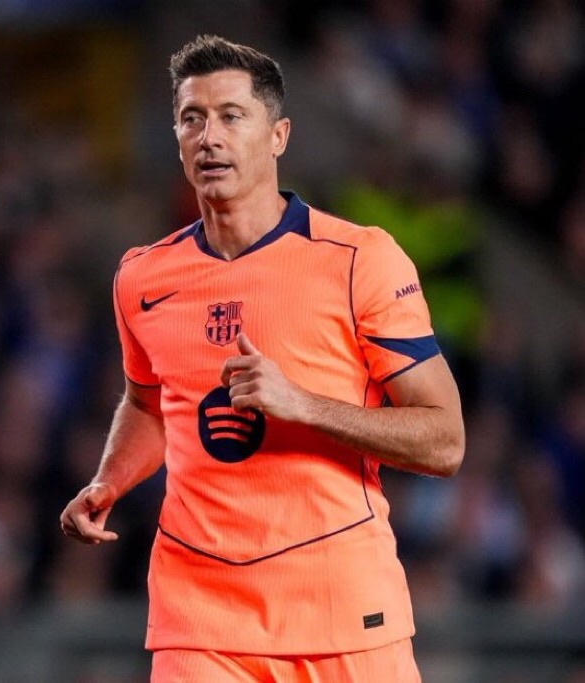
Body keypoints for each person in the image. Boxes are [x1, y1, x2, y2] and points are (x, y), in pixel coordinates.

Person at [60, 34, 465, 682]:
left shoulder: (358, 259)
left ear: (278, 136)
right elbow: (148, 403)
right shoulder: (141, 277)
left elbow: (444, 440)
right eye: (191, 118)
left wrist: (302, 404)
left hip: (341, 606)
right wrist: (109, 480)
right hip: (201, 616)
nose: (209, 137)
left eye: (231, 116)